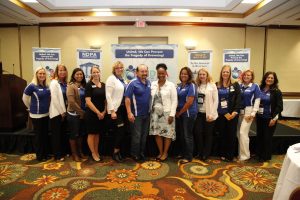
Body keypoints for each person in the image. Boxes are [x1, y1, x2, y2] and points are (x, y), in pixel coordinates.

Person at [149, 63, 177, 162]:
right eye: (159, 73)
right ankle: (160, 152)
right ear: (157, 73)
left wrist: (172, 114)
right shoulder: (153, 84)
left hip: (167, 113)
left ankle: (165, 153)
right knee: (157, 133)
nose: (161, 75)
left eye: (163, 73)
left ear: (166, 73)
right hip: (155, 114)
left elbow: (174, 100)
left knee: (167, 134)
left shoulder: (171, 85)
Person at [23, 67, 51, 161]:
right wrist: (31, 108)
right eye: (40, 73)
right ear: (36, 74)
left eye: (43, 74)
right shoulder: (31, 86)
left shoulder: (47, 85)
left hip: (46, 114)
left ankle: (46, 154)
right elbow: (25, 99)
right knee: (39, 136)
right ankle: (40, 156)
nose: (42, 75)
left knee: (44, 135)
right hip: (36, 116)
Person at [125, 64, 151, 162]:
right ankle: (135, 154)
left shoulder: (148, 82)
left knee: (144, 136)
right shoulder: (132, 83)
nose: (144, 73)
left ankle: (141, 153)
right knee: (137, 136)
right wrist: (129, 113)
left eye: (146, 71)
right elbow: (127, 98)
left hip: (146, 115)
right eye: (142, 71)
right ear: (137, 73)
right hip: (136, 115)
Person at [256, 71, 283, 162]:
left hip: (270, 118)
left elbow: (279, 107)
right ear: (265, 78)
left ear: (274, 80)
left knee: (267, 138)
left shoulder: (276, 91)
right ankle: (259, 154)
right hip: (260, 117)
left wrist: (274, 119)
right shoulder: (260, 88)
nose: (269, 79)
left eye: (272, 78)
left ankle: (266, 156)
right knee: (260, 136)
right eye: (268, 77)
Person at [216, 65, 241, 162]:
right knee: (222, 134)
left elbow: (238, 99)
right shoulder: (216, 84)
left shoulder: (235, 85)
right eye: (223, 72)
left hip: (232, 114)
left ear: (230, 73)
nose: (225, 73)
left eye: (227, 72)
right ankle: (222, 153)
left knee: (231, 134)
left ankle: (230, 155)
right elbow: (215, 100)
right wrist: (222, 112)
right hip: (221, 114)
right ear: (221, 73)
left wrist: (235, 111)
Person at [193, 68, 218, 161]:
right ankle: (200, 152)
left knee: (208, 134)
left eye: (204, 74)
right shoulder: (196, 85)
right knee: (198, 133)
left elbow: (216, 101)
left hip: (209, 114)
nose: (202, 76)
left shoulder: (212, 85)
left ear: (207, 75)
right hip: (199, 113)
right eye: (200, 74)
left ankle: (206, 154)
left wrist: (212, 114)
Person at [106, 61, 128, 163]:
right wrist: (112, 111)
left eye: (121, 67)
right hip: (115, 110)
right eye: (117, 68)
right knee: (120, 131)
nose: (120, 69)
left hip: (123, 109)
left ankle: (118, 151)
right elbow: (108, 95)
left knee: (122, 132)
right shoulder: (111, 79)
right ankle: (115, 152)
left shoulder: (123, 80)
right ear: (114, 69)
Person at [237, 69, 260, 162]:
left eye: (249, 75)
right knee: (239, 133)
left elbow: (257, 100)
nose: (246, 76)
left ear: (252, 77)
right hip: (239, 111)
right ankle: (240, 154)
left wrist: (253, 113)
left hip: (248, 111)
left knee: (243, 133)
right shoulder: (239, 86)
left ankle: (246, 155)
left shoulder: (255, 86)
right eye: (245, 75)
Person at [176, 67, 197, 164]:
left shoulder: (191, 85)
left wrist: (179, 113)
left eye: (185, 74)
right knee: (182, 135)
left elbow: (189, 102)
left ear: (189, 75)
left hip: (188, 114)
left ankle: (188, 157)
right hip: (180, 114)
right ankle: (183, 153)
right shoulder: (179, 86)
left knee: (187, 135)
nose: (183, 75)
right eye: (182, 73)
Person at [85, 66, 106, 162]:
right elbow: (88, 101)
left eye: (97, 72)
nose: (96, 74)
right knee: (91, 134)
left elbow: (106, 100)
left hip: (102, 114)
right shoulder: (89, 85)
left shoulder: (103, 84)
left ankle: (97, 151)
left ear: (100, 72)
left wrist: (104, 111)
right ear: (91, 74)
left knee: (97, 134)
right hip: (92, 114)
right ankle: (93, 153)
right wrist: (98, 112)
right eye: (94, 72)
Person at [66, 68, 87, 162]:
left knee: (81, 134)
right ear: (73, 75)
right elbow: (71, 102)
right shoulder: (71, 86)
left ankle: (80, 152)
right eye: (77, 74)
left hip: (83, 115)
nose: (79, 76)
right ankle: (74, 154)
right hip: (74, 115)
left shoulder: (84, 86)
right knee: (73, 135)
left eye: (81, 74)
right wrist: (81, 112)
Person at [49, 64, 68, 161]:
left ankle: (63, 152)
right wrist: (61, 112)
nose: (62, 72)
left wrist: (64, 112)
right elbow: (55, 99)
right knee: (56, 135)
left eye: (64, 70)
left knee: (62, 134)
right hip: (57, 112)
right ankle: (57, 155)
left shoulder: (65, 83)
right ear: (57, 71)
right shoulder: (54, 82)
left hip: (64, 112)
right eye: (60, 70)